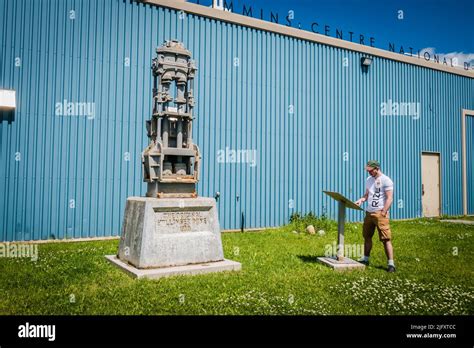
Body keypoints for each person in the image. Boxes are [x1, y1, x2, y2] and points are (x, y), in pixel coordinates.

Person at [355, 160, 396, 272]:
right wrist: (361, 200)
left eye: (370, 170)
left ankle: (391, 264)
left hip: (380, 213)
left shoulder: (386, 180)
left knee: (386, 239)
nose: (369, 173)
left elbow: (389, 198)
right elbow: (367, 194)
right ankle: (366, 259)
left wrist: (383, 212)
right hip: (369, 212)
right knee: (367, 237)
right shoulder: (368, 180)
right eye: (367, 170)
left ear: (377, 168)